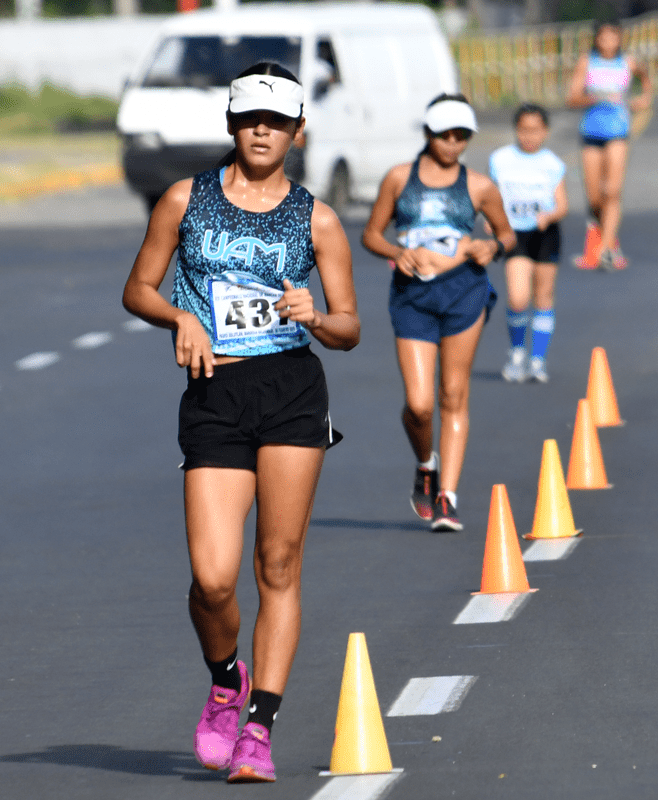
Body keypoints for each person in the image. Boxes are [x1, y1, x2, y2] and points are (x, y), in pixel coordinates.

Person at [121, 61, 359, 784]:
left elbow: (350, 326)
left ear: (297, 131)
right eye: (252, 118)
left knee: (278, 566)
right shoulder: (182, 200)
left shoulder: (317, 217)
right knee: (213, 578)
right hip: (215, 391)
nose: (263, 131)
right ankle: (225, 678)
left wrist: (316, 316)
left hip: (289, 388)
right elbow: (137, 287)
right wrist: (181, 316)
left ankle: (258, 726)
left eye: (278, 121)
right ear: (231, 123)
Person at [361, 93, 515, 533]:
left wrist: (493, 245)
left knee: (453, 393)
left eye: (461, 136)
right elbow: (371, 234)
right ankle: (425, 462)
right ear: (428, 133)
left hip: (463, 292)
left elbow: (506, 235)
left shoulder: (480, 186)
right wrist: (396, 251)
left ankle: (447, 495)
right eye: (444, 134)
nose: (452, 143)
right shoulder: (398, 179)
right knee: (419, 404)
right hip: (413, 296)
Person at [488, 103, 569, 384]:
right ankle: (517, 353)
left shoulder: (552, 164)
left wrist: (550, 215)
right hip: (515, 234)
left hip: (544, 234)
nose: (529, 136)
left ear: (545, 132)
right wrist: (492, 221)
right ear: (516, 130)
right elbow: (493, 197)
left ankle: (538, 360)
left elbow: (563, 205)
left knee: (544, 296)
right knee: (518, 296)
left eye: (535, 130)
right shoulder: (501, 160)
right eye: (523, 129)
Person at [566, 16, 652, 272]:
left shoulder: (628, 62)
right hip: (591, 132)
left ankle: (605, 250)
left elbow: (645, 80)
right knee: (595, 196)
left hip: (618, 133)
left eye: (613, 36)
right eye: (603, 37)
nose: (608, 42)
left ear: (620, 38)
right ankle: (601, 236)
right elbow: (572, 98)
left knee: (612, 191)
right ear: (596, 39)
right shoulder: (587, 62)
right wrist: (596, 98)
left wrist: (643, 98)